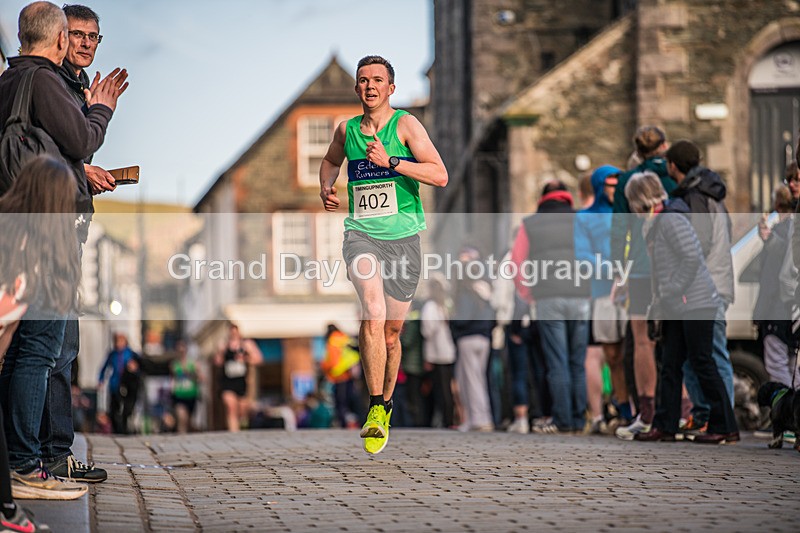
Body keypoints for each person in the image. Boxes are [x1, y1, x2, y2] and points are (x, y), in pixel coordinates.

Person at [0, 1, 127, 487]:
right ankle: (31, 462)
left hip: (18, 224)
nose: (85, 45)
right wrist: (101, 110)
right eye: (76, 36)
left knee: (22, 346)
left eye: (95, 37)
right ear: (57, 39)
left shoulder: (10, 80)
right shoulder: (45, 80)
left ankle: (26, 457)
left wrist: (75, 169)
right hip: (46, 230)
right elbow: (79, 141)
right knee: (43, 348)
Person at [319, 55, 448, 454]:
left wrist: (392, 161)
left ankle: (386, 403)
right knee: (372, 313)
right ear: (357, 89)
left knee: (393, 333)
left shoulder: (406, 125)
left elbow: (439, 174)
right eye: (363, 80)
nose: (370, 86)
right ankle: (375, 405)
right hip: (362, 235)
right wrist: (326, 186)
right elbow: (329, 161)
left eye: (378, 80)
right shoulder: (347, 130)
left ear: (391, 88)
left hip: (405, 240)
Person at [624, 171, 739, 444]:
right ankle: (665, 424)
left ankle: (725, 425)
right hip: (676, 305)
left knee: (702, 361)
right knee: (671, 364)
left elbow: (691, 258)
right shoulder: (654, 223)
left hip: (695, 302)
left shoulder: (671, 220)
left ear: (641, 200)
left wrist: (671, 290)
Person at [0, 155, 85, 503]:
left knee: (24, 355)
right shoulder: (42, 255)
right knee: (38, 358)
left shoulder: (12, 237)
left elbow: (8, 339)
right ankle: (24, 465)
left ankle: (15, 460)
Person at [610, 126, 677, 440]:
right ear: (664, 146)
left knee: (641, 339)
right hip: (671, 265)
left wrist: (618, 273)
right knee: (676, 337)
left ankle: (647, 411)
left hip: (637, 267)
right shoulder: (673, 176)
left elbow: (619, 229)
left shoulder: (627, 180)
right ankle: (685, 410)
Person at [665, 140, 735, 434]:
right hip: (717, 280)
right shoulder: (711, 194)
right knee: (703, 355)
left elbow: (697, 245)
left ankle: (722, 420)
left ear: (672, 166)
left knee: (710, 355)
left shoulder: (695, 198)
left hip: (707, 286)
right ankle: (709, 416)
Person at [512, 180, 591, 434]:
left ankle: (562, 420)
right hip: (581, 296)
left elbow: (516, 262)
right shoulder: (581, 219)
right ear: (567, 197)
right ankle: (580, 420)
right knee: (578, 362)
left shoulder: (530, 223)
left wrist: (528, 293)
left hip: (547, 297)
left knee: (557, 362)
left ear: (542, 198)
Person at [574, 165, 630, 434]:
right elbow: (582, 257)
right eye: (609, 185)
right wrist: (614, 271)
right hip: (603, 293)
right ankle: (623, 410)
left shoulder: (629, 211)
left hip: (635, 290)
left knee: (636, 351)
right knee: (612, 355)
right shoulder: (584, 218)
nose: (614, 190)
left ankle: (638, 409)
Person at [754, 186, 800, 388]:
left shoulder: (779, 236)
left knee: (777, 365)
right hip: (792, 311)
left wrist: (760, 314)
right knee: (793, 364)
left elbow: (770, 281)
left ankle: (786, 413)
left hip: (778, 309)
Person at [450, 247, 495, 432]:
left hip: (468, 337)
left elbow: (462, 317)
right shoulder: (485, 288)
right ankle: (479, 417)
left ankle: (478, 419)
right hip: (483, 337)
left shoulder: (466, 290)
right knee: (478, 379)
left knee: (470, 380)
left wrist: (452, 323)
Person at [421, 277, 457, 429]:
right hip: (448, 352)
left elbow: (427, 330)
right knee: (447, 388)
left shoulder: (430, 306)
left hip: (436, 353)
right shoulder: (445, 305)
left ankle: (445, 419)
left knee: (439, 389)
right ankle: (448, 418)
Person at [213, 324, 263, 432]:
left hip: (242, 381)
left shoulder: (246, 344)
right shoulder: (225, 345)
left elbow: (258, 359)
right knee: (231, 407)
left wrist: (245, 358)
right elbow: (217, 362)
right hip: (227, 381)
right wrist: (221, 352)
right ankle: (234, 433)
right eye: (232, 332)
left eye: (236, 331)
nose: (234, 334)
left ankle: (242, 431)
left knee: (242, 411)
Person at [98, 333, 141, 435]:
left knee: (127, 408)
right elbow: (105, 367)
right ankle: (116, 429)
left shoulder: (131, 354)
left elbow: (140, 367)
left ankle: (125, 428)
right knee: (113, 408)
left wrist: (135, 369)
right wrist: (101, 380)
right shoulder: (113, 354)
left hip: (128, 385)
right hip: (115, 383)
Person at [320, 324, 361, 429]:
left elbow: (332, 362)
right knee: (353, 401)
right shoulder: (345, 338)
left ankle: (344, 424)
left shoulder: (332, 341)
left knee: (341, 403)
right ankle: (361, 420)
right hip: (350, 373)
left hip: (339, 375)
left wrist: (324, 366)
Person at [170, 340, 202, 434]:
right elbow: (172, 380)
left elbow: (200, 378)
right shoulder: (174, 365)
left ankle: (187, 438)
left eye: (183, 349)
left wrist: (192, 374)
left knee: (189, 421)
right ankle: (181, 436)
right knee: (181, 418)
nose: (181, 351)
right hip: (179, 395)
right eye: (179, 350)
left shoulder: (193, 364)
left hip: (191, 394)